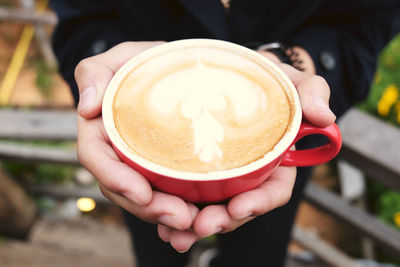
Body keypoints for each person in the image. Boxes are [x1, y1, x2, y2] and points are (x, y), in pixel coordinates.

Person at [50, 1, 400, 266]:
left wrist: (291, 65)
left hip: (272, 160)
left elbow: (367, 21)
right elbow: (81, 20)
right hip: (140, 162)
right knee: (156, 256)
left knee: (258, 258)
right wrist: (108, 78)